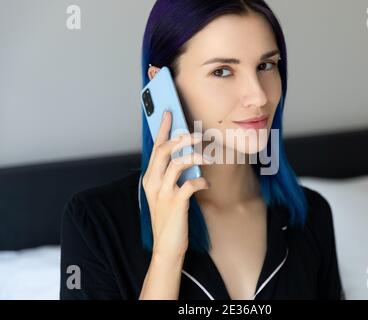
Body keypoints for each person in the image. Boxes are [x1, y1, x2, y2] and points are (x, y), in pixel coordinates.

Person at [60, 0, 344, 300]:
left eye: (265, 65)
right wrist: (166, 256)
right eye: (222, 71)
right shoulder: (94, 223)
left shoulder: (311, 215)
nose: (258, 96)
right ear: (162, 84)